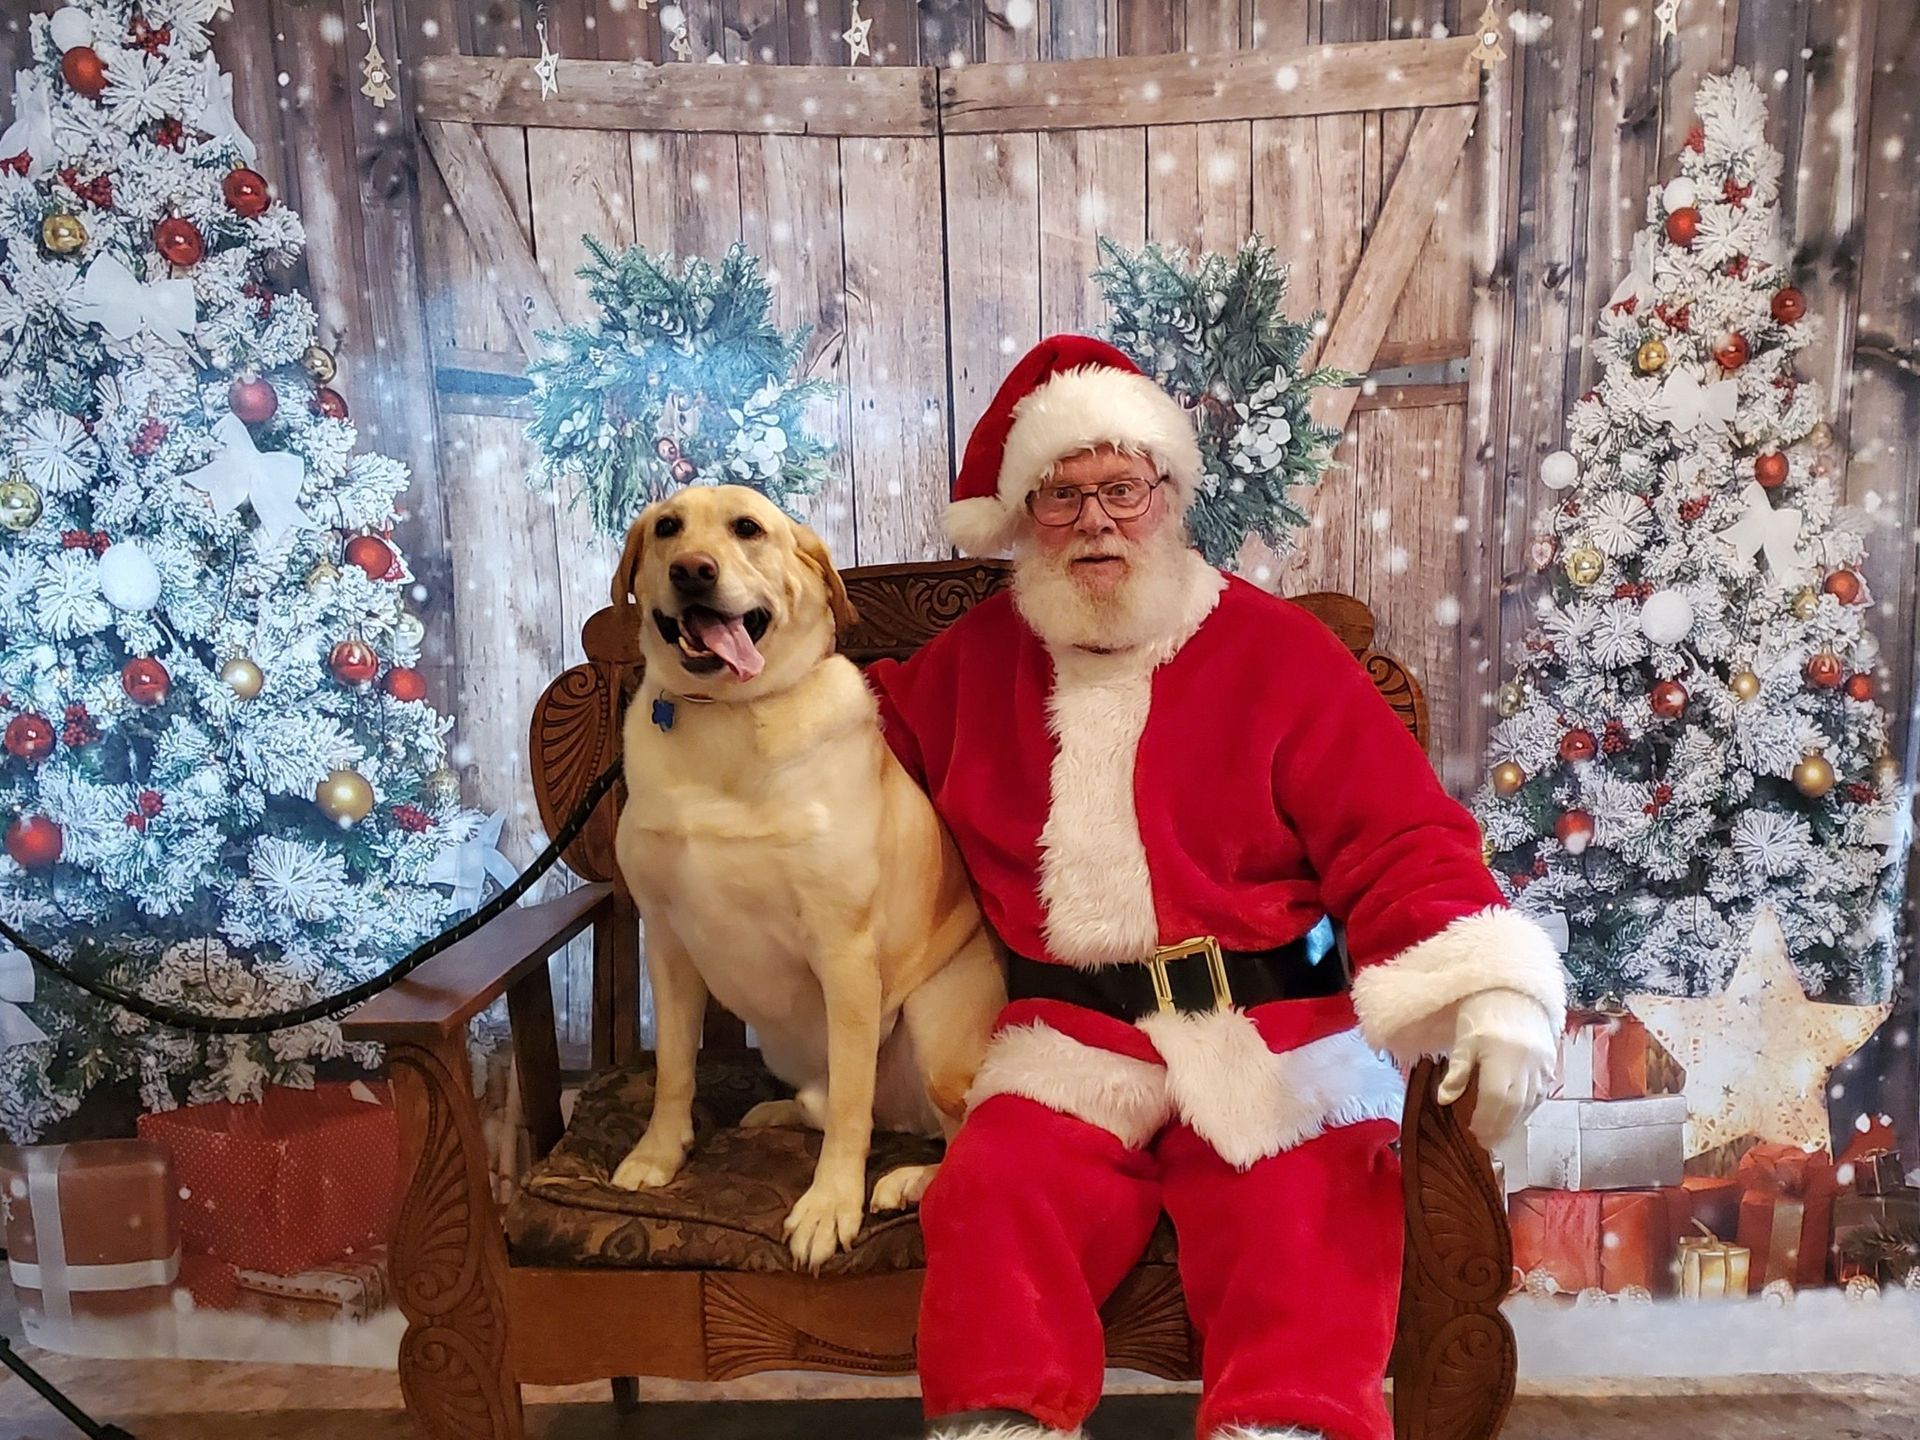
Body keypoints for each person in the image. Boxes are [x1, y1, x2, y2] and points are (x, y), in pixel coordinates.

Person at [863, 335, 1566, 1440]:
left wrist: (1492, 987)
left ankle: (1284, 1427)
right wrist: (717, 706)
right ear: (1024, 518)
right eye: (1060, 496)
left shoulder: (1280, 653)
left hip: (1272, 1032)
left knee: (1310, 1208)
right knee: (995, 1195)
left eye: (1123, 489)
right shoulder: (973, 663)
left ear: (1169, 495)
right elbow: (846, 747)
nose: (1095, 521)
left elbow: (1398, 837)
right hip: (1069, 1038)